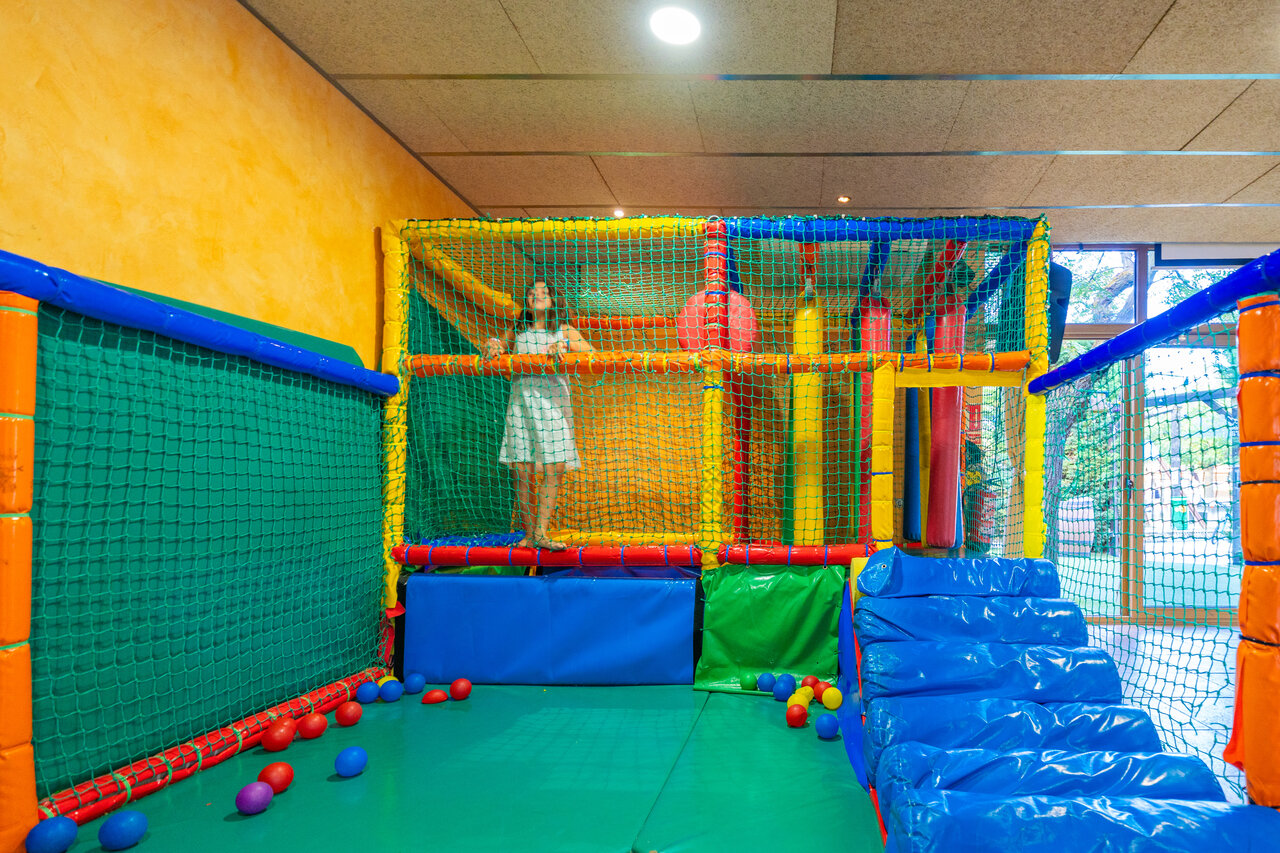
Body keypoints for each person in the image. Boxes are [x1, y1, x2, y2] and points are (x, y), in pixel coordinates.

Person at [484, 278, 593, 551]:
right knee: (523, 469)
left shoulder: (564, 331)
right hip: (522, 403)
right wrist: (493, 345)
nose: (537, 296)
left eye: (544, 292)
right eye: (531, 293)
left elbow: (593, 354)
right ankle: (529, 533)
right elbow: (495, 349)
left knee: (555, 467)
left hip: (553, 404)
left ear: (554, 299)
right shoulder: (518, 331)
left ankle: (541, 532)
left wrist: (565, 350)